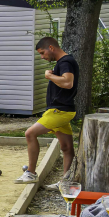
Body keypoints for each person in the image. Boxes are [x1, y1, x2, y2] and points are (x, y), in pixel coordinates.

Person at [18, 36, 77, 184]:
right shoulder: (63, 62)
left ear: (51, 48)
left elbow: (68, 83)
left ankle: (30, 173)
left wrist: (49, 76)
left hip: (59, 111)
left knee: (30, 134)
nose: (42, 57)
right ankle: (66, 182)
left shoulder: (65, 62)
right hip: (62, 110)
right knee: (66, 147)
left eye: (42, 53)